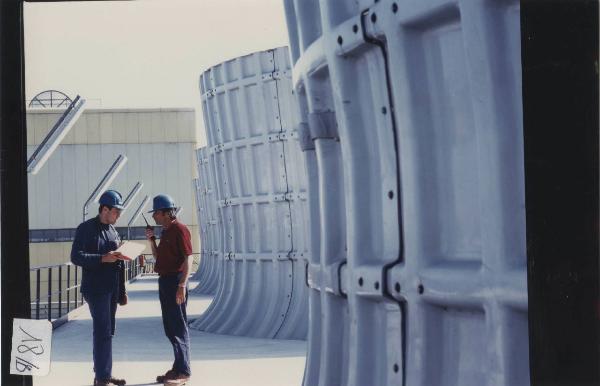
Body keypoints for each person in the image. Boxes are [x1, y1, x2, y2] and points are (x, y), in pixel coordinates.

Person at [71, 190, 130, 386]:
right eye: (116, 211)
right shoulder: (85, 229)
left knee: (109, 330)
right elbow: (76, 256)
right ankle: (101, 377)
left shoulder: (113, 231)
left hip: (111, 288)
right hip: (95, 289)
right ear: (105, 209)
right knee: (102, 330)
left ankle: (104, 373)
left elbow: (118, 263)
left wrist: (122, 292)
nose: (118, 216)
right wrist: (102, 258)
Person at [145, 194, 193, 385]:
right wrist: (152, 241)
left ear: (166, 213)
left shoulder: (180, 229)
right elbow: (158, 258)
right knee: (170, 327)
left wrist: (182, 285)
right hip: (165, 281)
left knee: (179, 326)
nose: (154, 216)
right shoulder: (165, 232)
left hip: (175, 282)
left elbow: (188, 258)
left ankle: (184, 371)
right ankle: (177, 367)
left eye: (156, 212)